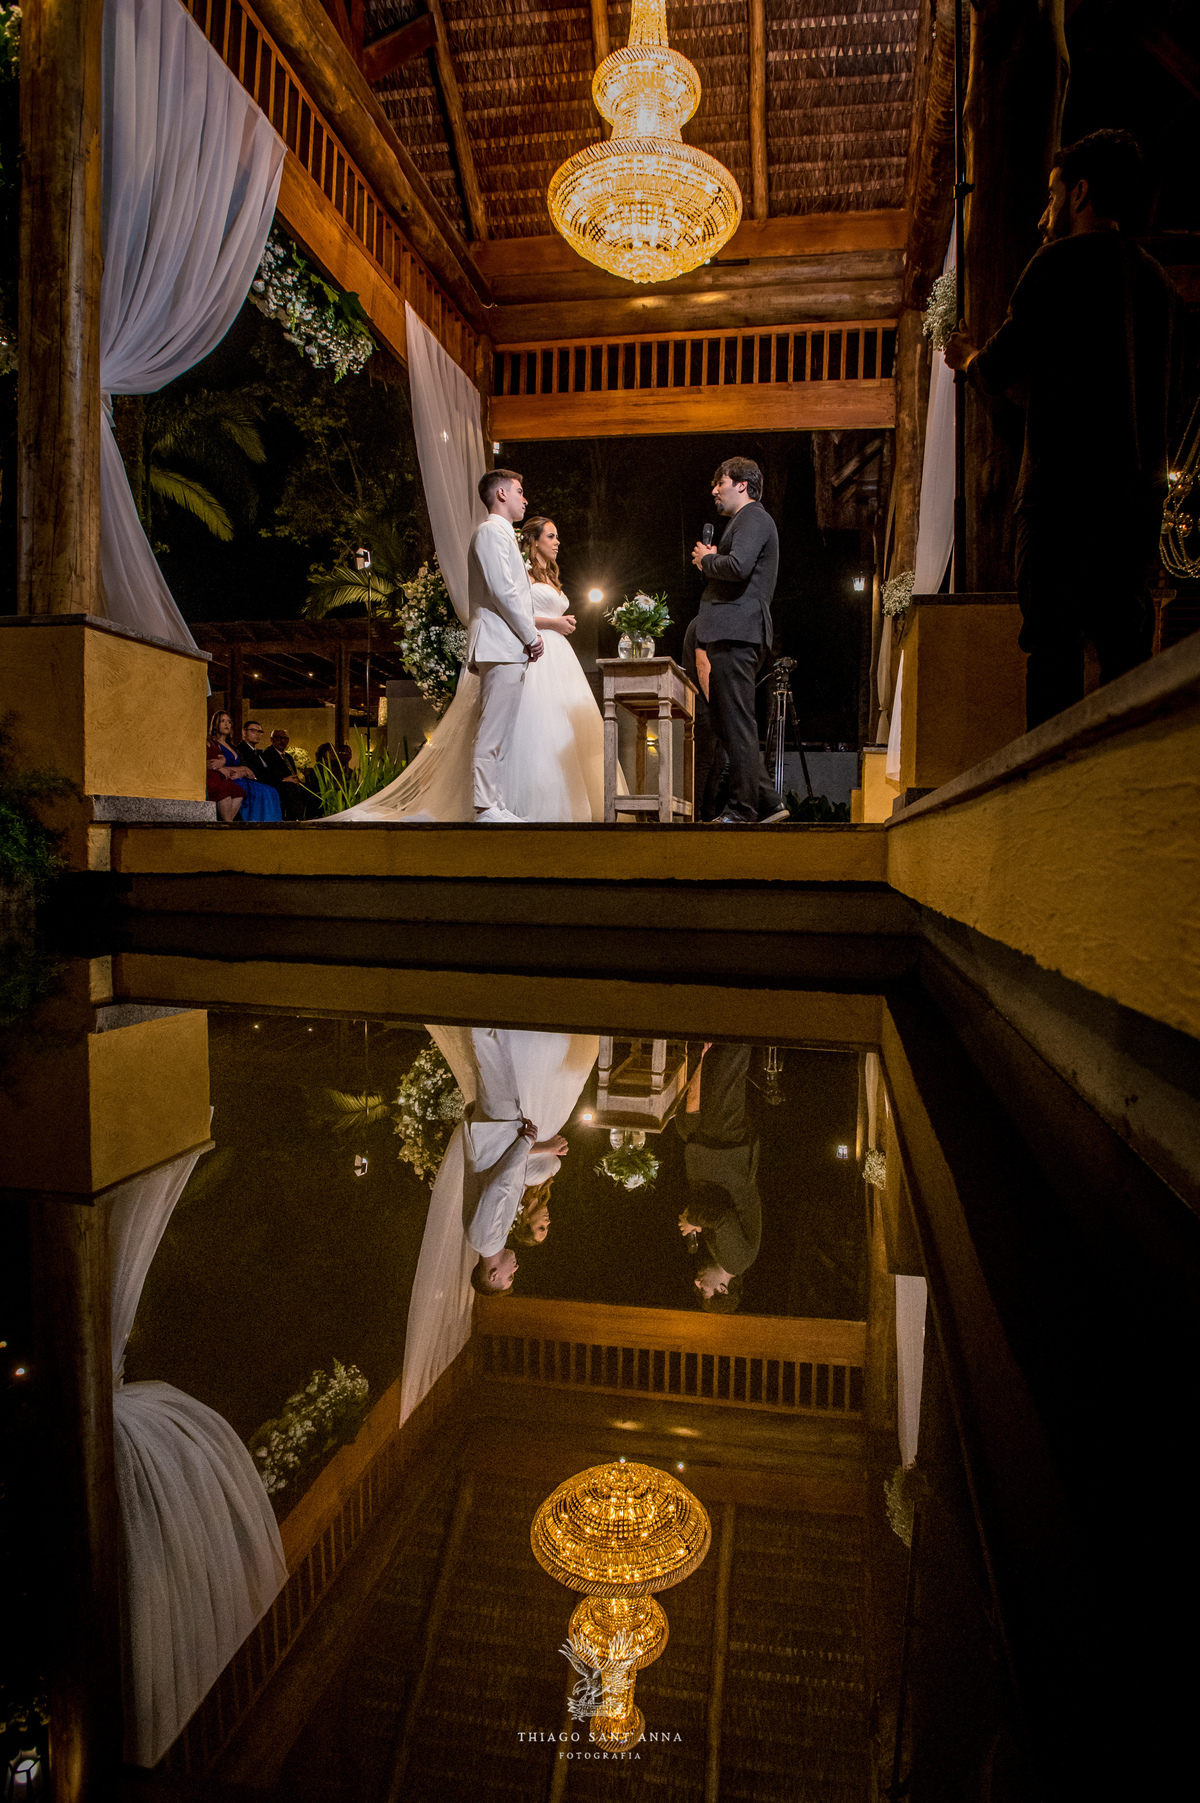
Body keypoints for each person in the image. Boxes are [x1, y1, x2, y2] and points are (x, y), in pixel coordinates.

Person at [944, 129, 1172, 729]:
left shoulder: (1058, 263)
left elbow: (998, 364)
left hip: (1061, 496)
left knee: (1052, 644)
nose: (1044, 216)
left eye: (1051, 198)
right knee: (1126, 647)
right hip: (1137, 498)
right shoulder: (1157, 283)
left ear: (1081, 191)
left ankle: (1047, 784)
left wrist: (964, 354)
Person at [320, 510, 617, 824]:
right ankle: (513, 803)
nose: (557, 542)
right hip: (531, 648)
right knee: (528, 725)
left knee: (562, 727)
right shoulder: (520, 571)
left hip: (559, 657)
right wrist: (552, 622)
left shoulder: (552, 577)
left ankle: (571, 801)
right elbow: (508, 608)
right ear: (534, 541)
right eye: (551, 536)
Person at [690, 458, 788, 824]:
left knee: (737, 722)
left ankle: (742, 809)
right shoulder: (742, 522)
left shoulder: (753, 518)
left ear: (742, 485)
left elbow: (738, 567)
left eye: (721, 482)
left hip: (739, 632)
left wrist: (708, 559)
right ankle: (768, 801)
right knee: (728, 722)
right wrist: (711, 563)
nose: (715, 490)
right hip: (729, 632)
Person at [462, 1027, 570, 1295]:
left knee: (493, 1059)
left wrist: (525, 1144)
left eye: (508, 1278)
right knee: (496, 1065)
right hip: (496, 1140)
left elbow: (499, 1186)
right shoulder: (487, 1240)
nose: (515, 1271)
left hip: (496, 1141)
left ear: (493, 1274)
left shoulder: (486, 1241)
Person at [465, 468, 544, 823]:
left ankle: (494, 803)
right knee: (493, 729)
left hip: (507, 644)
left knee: (503, 732)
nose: (524, 498)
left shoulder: (502, 535)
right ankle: (484, 805)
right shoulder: (491, 532)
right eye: (519, 491)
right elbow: (503, 590)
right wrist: (530, 634)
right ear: (500, 494)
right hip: (499, 641)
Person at [675, 1042, 762, 1312]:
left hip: (713, 1153)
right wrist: (692, 1221)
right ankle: (737, 1027)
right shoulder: (736, 1262)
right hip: (725, 1155)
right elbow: (723, 1220)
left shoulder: (722, 1256)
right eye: (706, 1292)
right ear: (723, 1289)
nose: (698, 1283)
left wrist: (700, 1224)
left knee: (689, 1111)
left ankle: (701, 1047)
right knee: (727, 1075)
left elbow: (717, 1221)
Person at [681, 616, 728, 821]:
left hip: (711, 705)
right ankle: (695, 817)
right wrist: (716, 705)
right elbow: (702, 667)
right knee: (705, 762)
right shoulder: (704, 623)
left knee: (718, 762)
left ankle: (708, 817)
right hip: (703, 705)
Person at [206, 712, 281, 822]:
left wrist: (244, 770)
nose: (226, 724)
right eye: (222, 721)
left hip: (240, 777)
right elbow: (218, 765)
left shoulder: (231, 745)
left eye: (229, 722)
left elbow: (242, 765)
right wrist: (242, 770)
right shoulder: (213, 743)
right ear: (216, 724)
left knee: (271, 791)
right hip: (228, 778)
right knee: (261, 792)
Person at [261, 729, 322, 820]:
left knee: (314, 790)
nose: (282, 741)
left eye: (285, 739)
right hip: (279, 784)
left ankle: (313, 818)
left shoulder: (288, 756)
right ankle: (295, 819)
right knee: (292, 789)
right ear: (272, 739)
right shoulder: (268, 754)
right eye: (279, 738)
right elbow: (267, 774)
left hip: (293, 783)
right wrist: (284, 779)